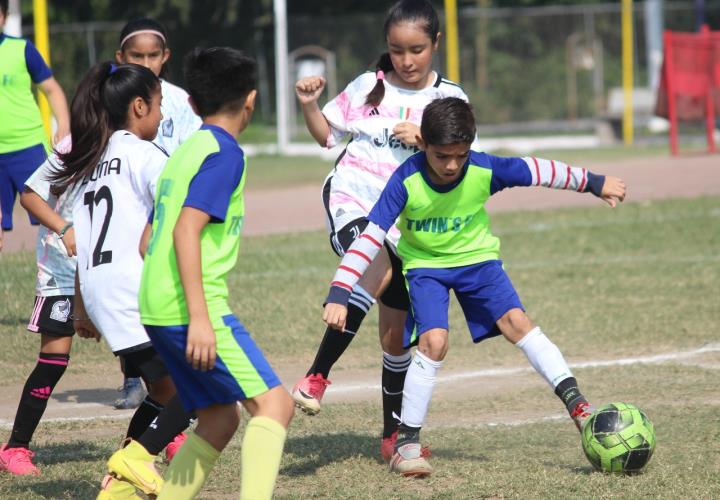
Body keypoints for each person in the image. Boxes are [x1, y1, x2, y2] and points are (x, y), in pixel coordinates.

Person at [322, 97, 627, 477]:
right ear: (424, 145)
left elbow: (537, 169)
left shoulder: (483, 168)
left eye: (460, 156)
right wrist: (340, 291)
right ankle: (407, 445)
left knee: (518, 323)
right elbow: (370, 237)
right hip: (427, 268)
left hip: (478, 261)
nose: (451, 165)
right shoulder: (405, 180)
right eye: (441, 156)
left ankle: (580, 408)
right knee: (434, 343)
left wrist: (594, 183)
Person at [292, 0, 477, 460]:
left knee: (395, 337)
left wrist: (425, 139)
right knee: (377, 267)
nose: (407, 60)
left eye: (416, 49)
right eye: (397, 50)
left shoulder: (449, 98)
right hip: (354, 203)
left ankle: (392, 436)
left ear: (436, 43)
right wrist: (309, 104)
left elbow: (460, 160)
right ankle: (316, 375)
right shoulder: (364, 87)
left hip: (407, 224)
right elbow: (325, 137)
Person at [139, 46, 294, 499]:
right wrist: (200, 317)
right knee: (275, 405)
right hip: (189, 309)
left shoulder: (186, 151)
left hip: (157, 304)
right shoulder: (225, 155)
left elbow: (149, 239)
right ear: (251, 101)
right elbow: (187, 229)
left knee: (220, 418)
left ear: (191, 103)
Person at [49, 61, 193, 498]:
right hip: (133, 294)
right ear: (138, 105)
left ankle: (119, 478)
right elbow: (175, 214)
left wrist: (80, 307)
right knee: (196, 388)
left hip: (102, 294)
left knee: (163, 388)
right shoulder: (144, 155)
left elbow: (83, 243)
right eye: (159, 106)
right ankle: (134, 460)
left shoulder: (94, 160)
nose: (163, 117)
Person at [113, 17, 202, 410]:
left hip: (165, 209)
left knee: (163, 288)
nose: (146, 63)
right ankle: (134, 375)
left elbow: (194, 151)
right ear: (121, 57)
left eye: (153, 55)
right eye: (137, 56)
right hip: (128, 209)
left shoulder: (180, 103)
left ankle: (167, 368)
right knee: (129, 289)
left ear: (165, 56)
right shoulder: (112, 98)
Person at [0, 136, 80, 476]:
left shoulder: (135, 146)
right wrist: (65, 228)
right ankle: (16, 447)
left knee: (145, 354)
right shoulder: (76, 144)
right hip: (62, 268)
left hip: (110, 269)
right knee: (54, 360)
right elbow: (30, 195)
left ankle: (165, 436)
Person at [0, 0, 69, 236]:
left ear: (5, 16)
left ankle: (54, 271)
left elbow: (52, 89)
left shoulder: (22, 49)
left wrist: (64, 125)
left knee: (50, 218)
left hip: (29, 147)